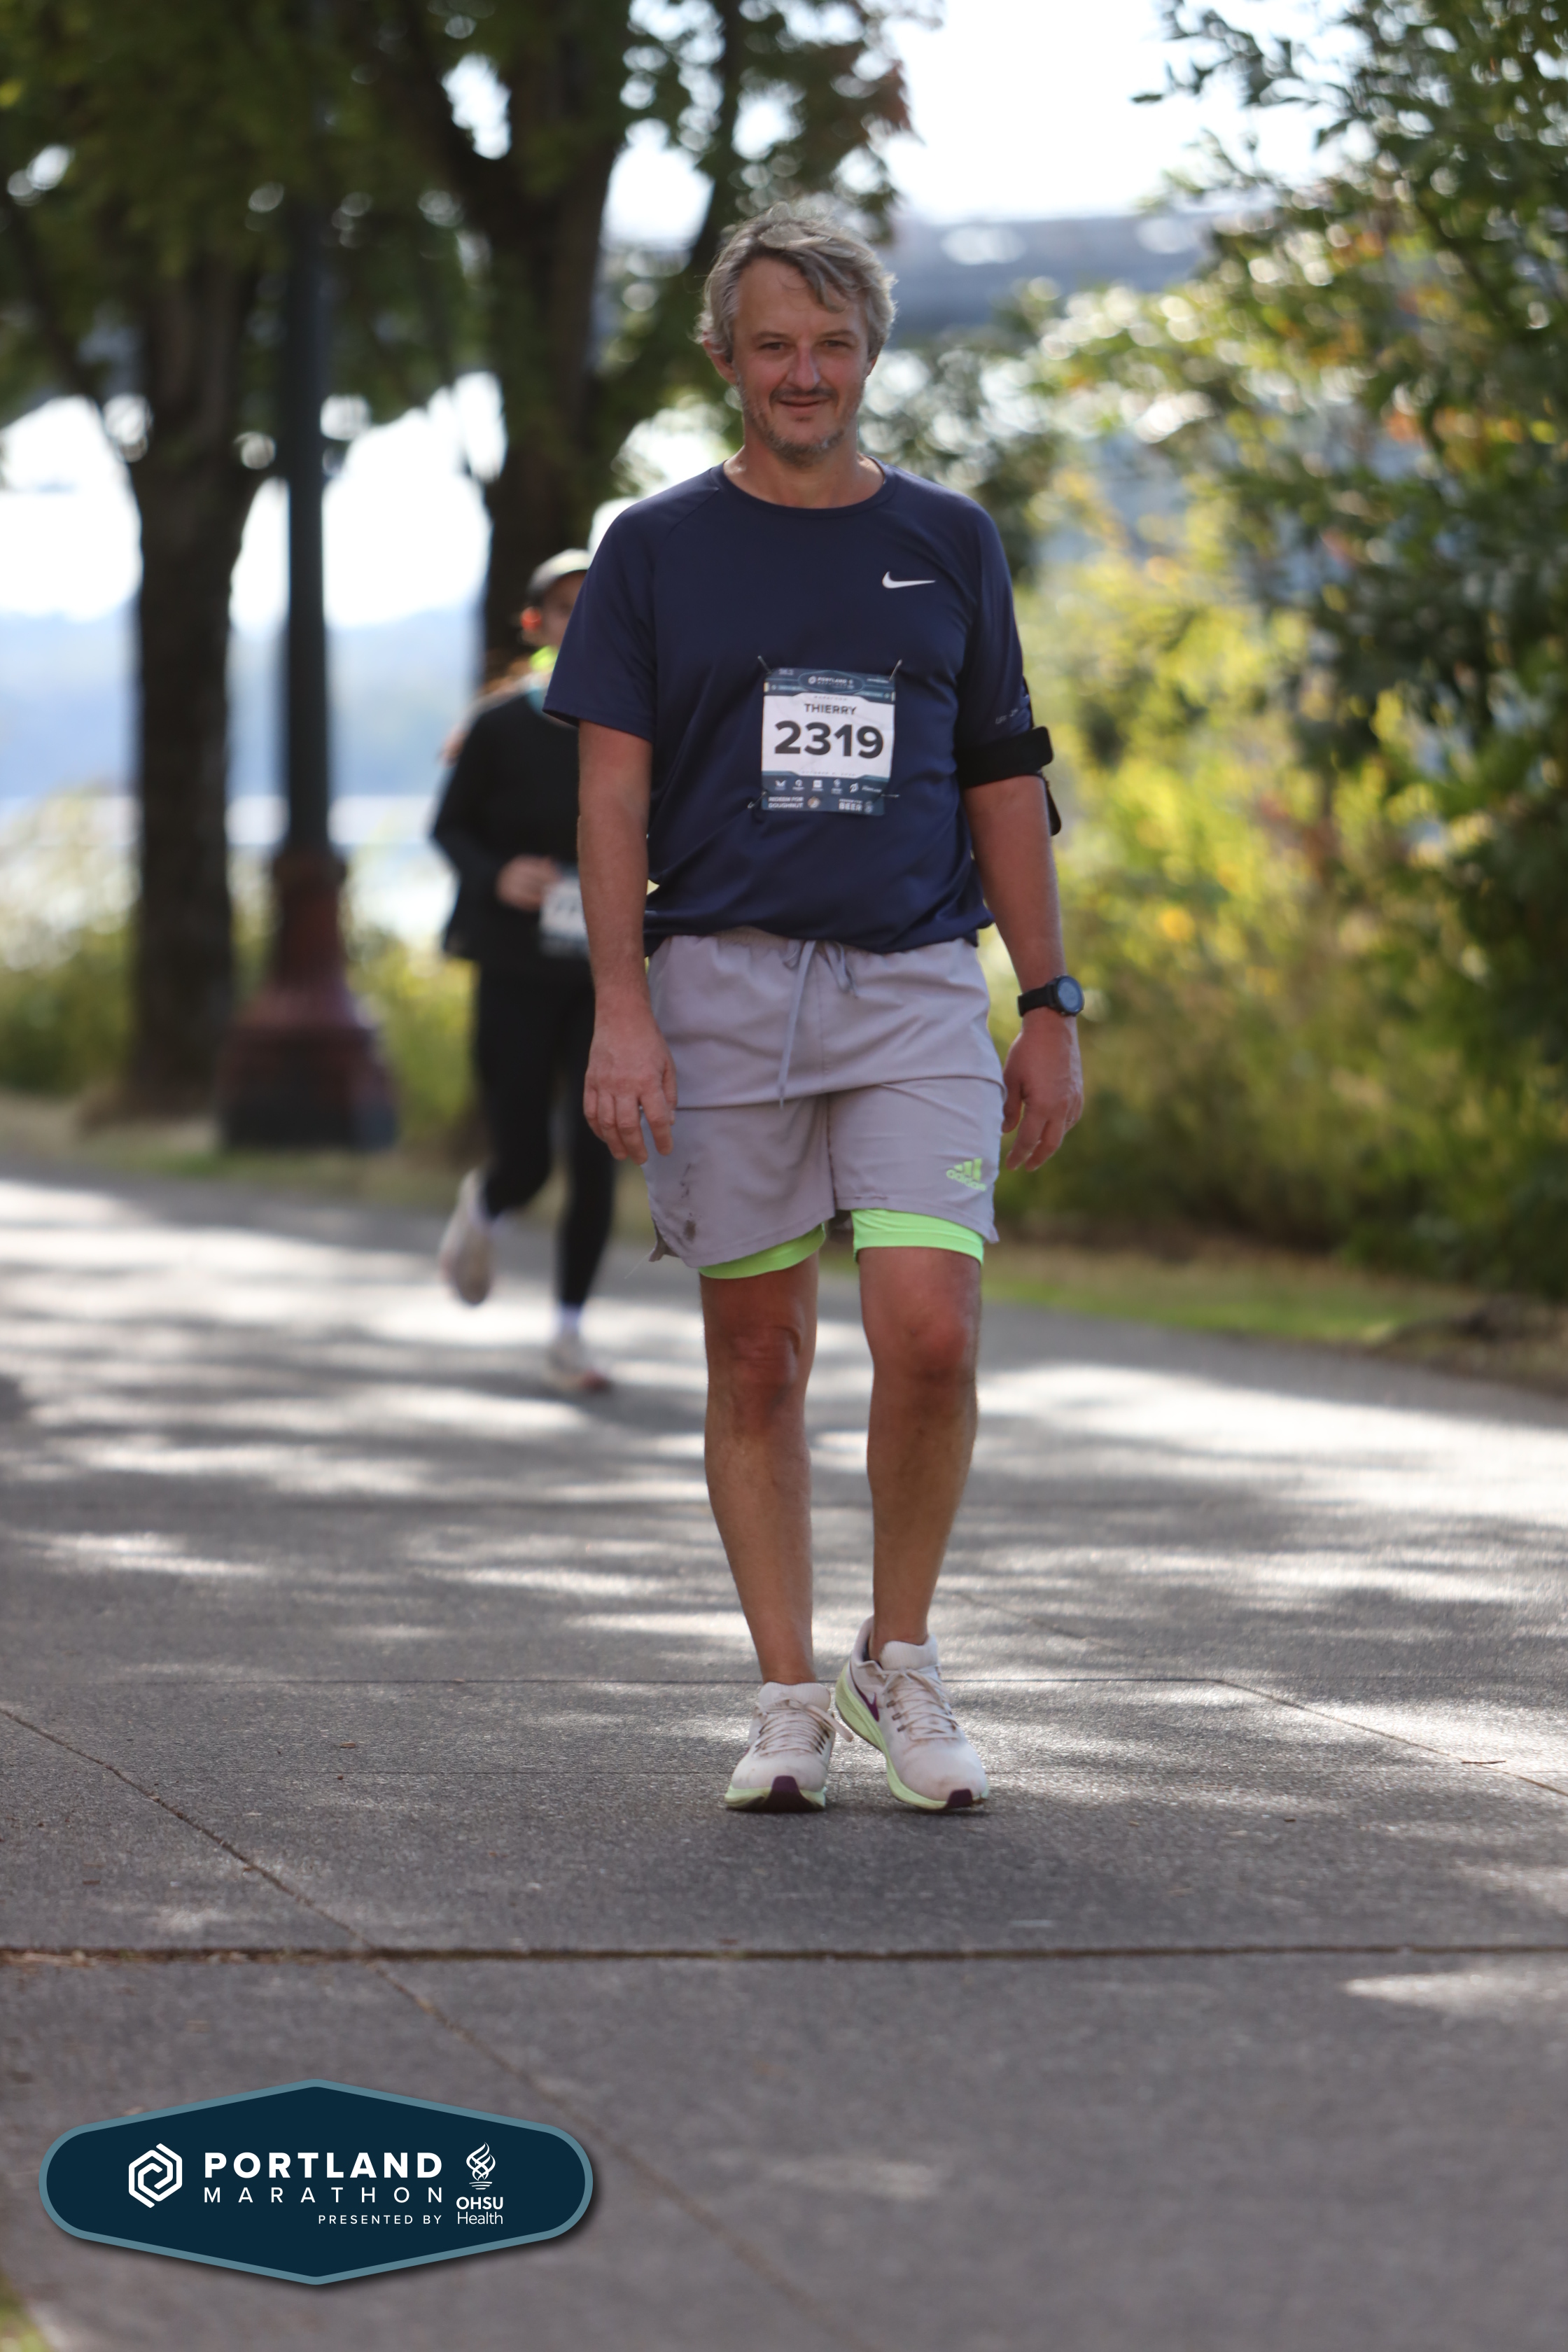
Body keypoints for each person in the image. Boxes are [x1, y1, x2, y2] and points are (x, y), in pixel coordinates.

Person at [547, 206, 1084, 1809]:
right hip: (717, 985)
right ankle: (786, 1696)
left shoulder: (949, 538)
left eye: (832, 345)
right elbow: (610, 798)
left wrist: (1048, 1002)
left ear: (869, 356)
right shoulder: (653, 547)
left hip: (913, 983)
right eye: (774, 344)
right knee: (761, 1358)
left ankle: (895, 1657)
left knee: (929, 1329)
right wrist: (623, 1010)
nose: (804, 373)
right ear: (724, 356)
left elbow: (1004, 780)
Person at [433, 550, 617, 1394]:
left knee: (596, 1151)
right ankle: (485, 1206)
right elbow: (448, 827)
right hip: (512, 964)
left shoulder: (639, 722)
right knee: (527, 1159)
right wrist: (499, 873)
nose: (581, 620)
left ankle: (569, 1331)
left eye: (595, 604)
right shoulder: (500, 724)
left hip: (603, 975)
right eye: (564, 607)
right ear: (536, 624)